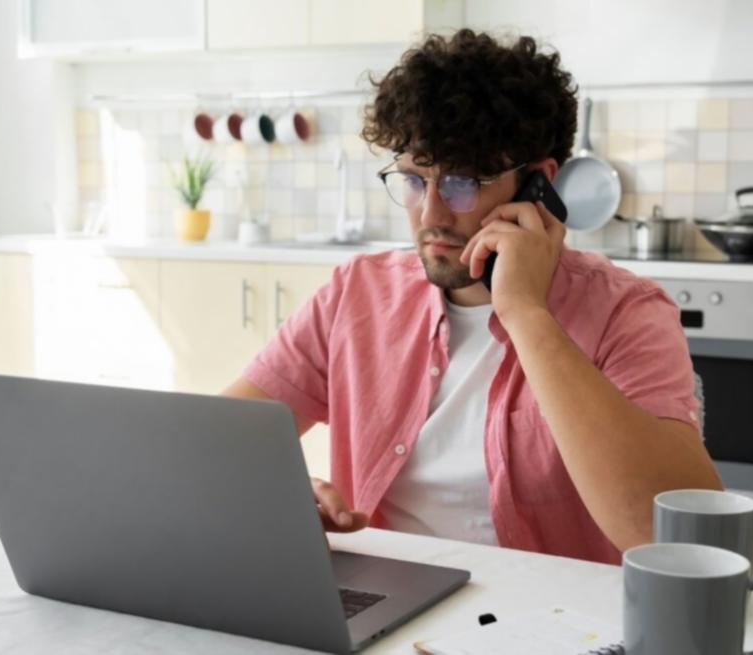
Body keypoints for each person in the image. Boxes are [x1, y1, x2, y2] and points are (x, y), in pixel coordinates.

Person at [223, 29, 721, 564]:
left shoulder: (625, 312)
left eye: (461, 183)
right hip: (388, 611)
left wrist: (525, 312)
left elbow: (679, 541)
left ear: (538, 184)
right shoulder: (358, 294)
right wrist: (281, 494)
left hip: (552, 627)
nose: (431, 215)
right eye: (414, 180)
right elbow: (210, 443)